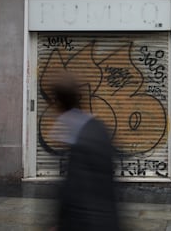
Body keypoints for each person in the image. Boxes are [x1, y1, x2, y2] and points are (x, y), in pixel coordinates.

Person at [50, 72, 120, 231]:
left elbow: (72, 189)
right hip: (109, 219)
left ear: (59, 102)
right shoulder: (98, 127)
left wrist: (61, 223)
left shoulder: (77, 136)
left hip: (86, 222)